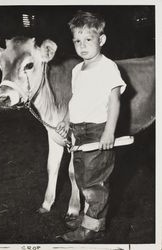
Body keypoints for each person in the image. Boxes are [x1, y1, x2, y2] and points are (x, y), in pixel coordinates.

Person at [56, 10, 126, 243]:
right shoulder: (77, 70)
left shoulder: (109, 68)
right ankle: (90, 218)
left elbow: (115, 102)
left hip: (98, 130)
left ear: (101, 40)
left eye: (88, 39)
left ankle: (92, 228)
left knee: (95, 183)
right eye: (77, 40)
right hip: (78, 131)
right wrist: (66, 120)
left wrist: (109, 131)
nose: (82, 45)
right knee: (83, 178)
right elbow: (74, 100)